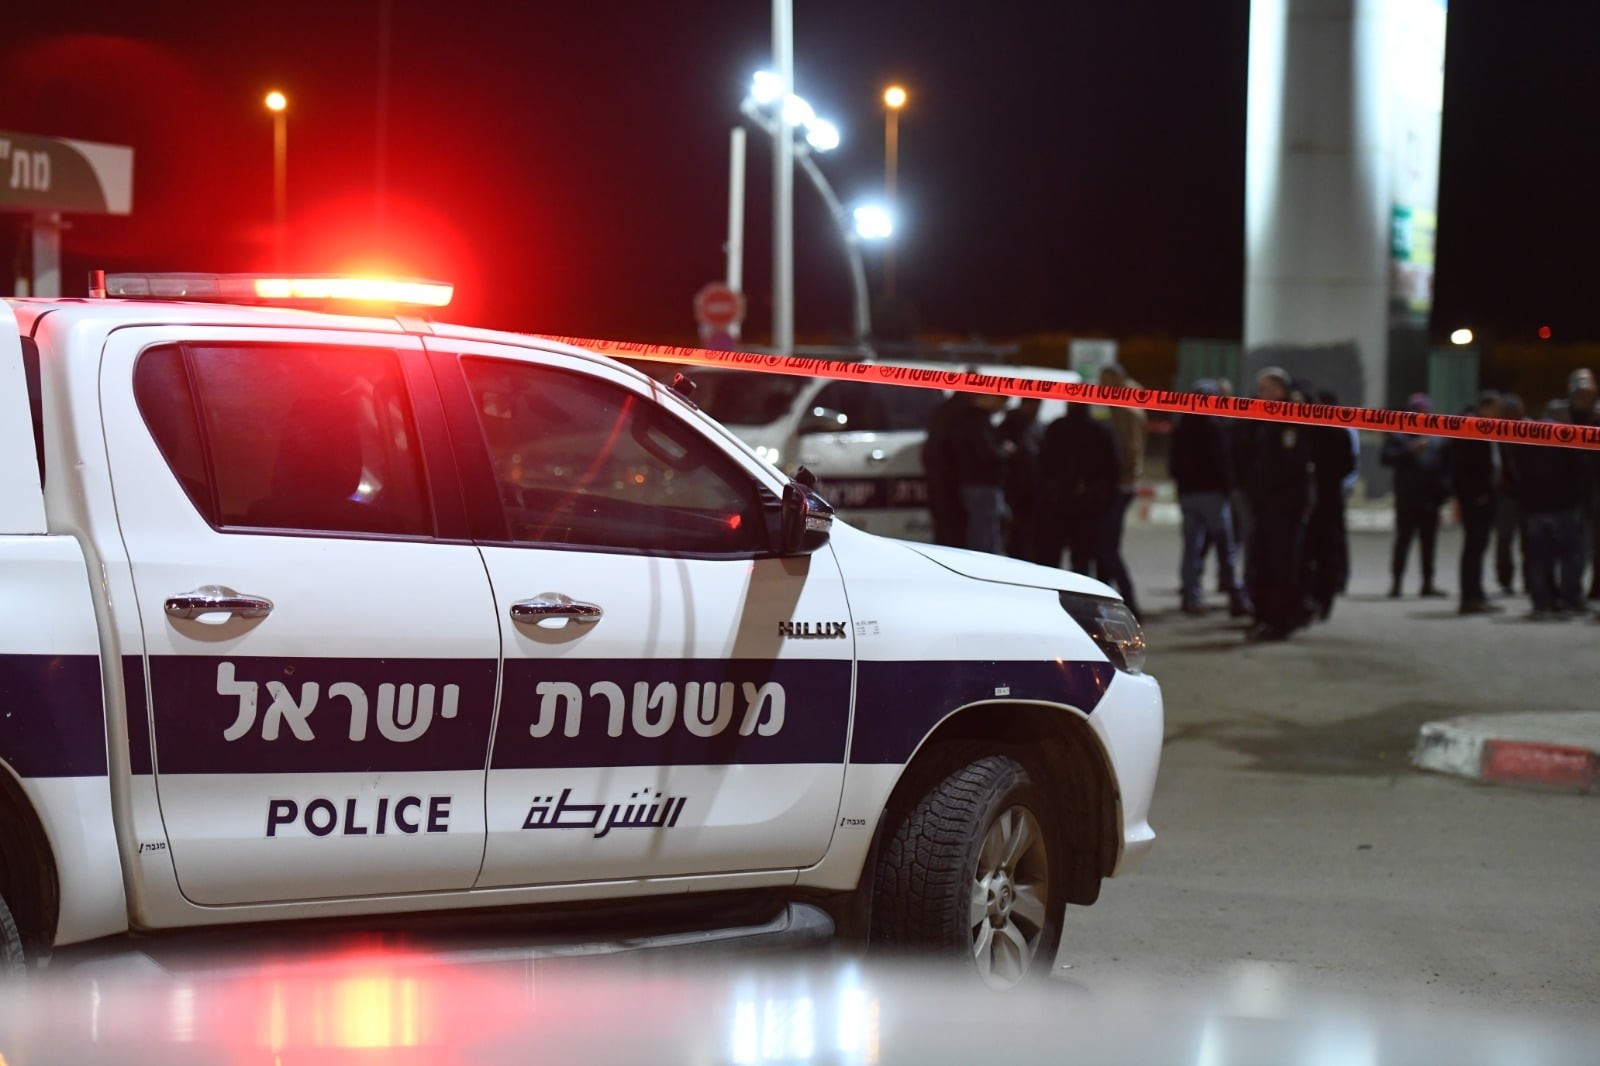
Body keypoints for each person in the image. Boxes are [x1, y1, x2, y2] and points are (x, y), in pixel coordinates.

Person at [1239, 367, 1315, 640]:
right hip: (1264, 504)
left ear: (1281, 390)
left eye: (1266, 388)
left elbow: (1292, 466)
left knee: (1281, 565)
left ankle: (1280, 620)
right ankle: (1264, 616)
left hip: (1284, 507)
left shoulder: (1290, 419)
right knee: (1261, 562)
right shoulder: (1261, 419)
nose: (1260, 394)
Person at [1168, 379, 1249, 616]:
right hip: (1213, 495)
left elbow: (1173, 465)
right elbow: (1223, 463)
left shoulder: (1181, 427)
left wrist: (1182, 486)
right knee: (1225, 548)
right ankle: (1235, 597)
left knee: (1191, 549)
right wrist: (1227, 489)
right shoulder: (1216, 427)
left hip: (1188, 495)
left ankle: (1191, 597)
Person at [1508, 413, 1585, 619]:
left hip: (1533, 508)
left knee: (1537, 558)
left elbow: (1515, 472)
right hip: (1562, 507)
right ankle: (1570, 600)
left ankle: (1542, 601)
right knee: (1569, 556)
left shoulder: (1525, 440)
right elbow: (1578, 470)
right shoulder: (1565, 437)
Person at [1380, 393, 1451, 598]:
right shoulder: (1399, 435)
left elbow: (1445, 466)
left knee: (1428, 543)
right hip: (1407, 499)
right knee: (1403, 541)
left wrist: (1444, 493)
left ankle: (1427, 583)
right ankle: (1397, 583)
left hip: (1430, 500)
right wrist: (1410, 451)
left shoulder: (1436, 438)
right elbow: (1386, 458)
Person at [1038, 402, 1119, 575]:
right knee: (1080, 560)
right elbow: (1112, 470)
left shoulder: (1058, 428)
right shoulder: (1098, 430)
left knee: (1053, 559)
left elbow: (1042, 464)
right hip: (1081, 504)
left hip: (1063, 503)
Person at [1302, 387, 1358, 620]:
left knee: (1321, 551)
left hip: (1323, 499)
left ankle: (1319, 598)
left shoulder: (1317, 432)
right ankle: (1320, 599)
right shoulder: (1334, 432)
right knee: (1323, 551)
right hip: (1327, 498)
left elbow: (1348, 465)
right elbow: (1349, 465)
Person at [1450, 391, 1505, 614]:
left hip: (1487, 497)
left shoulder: (1488, 427)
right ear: (1486, 407)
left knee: (1479, 546)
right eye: (1496, 409)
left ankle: (1477, 593)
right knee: (1473, 547)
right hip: (1476, 500)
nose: (1499, 414)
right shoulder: (1470, 427)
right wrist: (1474, 494)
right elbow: (1461, 466)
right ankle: (1469, 596)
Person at [1097, 364, 1145, 616]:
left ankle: (1128, 600)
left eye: (1107, 380)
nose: (1102, 385)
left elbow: (1132, 448)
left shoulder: (1126, 408)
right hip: (1115, 484)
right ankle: (1104, 600)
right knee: (1105, 545)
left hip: (1119, 486)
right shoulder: (1117, 403)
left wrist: (1124, 480)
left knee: (1107, 547)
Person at [950, 391, 1010, 553]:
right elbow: (986, 452)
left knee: (983, 531)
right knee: (985, 534)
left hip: (974, 482)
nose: (1002, 405)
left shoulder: (966, 418)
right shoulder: (977, 422)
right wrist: (1003, 452)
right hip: (982, 484)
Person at [997, 397, 1044, 562]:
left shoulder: (1036, 425)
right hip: (1015, 490)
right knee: (1017, 536)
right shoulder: (1011, 425)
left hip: (1031, 489)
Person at [922, 391, 970, 547]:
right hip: (952, 480)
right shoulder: (962, 412)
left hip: (939, 478)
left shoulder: (944, 409)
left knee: (944, 527)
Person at [1492, 393, 1527, 596]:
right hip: (1506, 494)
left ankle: (1531, 579)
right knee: (1505, 538)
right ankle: (1505, 578)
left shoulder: (1530, 429)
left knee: (1529, 540)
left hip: (1527, 494)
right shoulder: (1498, 431)